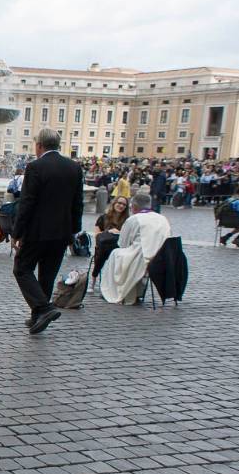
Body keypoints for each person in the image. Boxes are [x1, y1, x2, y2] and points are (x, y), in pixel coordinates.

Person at [11, 129, 84, 334]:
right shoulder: (74, 167)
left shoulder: (35, 167)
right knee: (48, 274)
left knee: (22, 268)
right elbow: (78, 203)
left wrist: (17, 232)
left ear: (39, 145)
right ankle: (37, 316)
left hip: (37, 231)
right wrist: (74, 231)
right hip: (62, 232)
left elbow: (27, 202)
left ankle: (43, 308)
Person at [100, 192, 172, 304]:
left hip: (140, 257)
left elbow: (123, 243)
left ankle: (115, 289)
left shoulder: (134, 219)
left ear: (134, 207)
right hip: (161, 257)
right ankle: (138, 291)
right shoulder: (163, 219)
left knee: (115, 253)